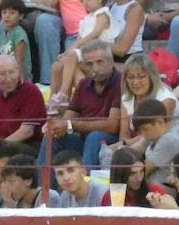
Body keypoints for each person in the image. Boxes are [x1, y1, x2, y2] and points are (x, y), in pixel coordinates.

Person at [39, 41, 122, 169]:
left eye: (100, 62)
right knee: (51, 137)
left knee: (94, 136)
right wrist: (57, 126)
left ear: (110, 62)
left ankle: (85, 184)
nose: (95, 68)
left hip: (110, 142)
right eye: (89, 64)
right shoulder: (84, 84)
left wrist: (71, 125)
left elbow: (112, 125)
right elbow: (69, 116)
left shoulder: (120, 82)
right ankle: (42, 187)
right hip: (85, 139)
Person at [0, 54, 47, 152]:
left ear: (18, 71)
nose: (8, 79)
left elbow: (26, 132)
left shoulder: (31, 91)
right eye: (2, 74)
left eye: (11, 72)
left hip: (23, 145)